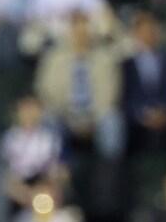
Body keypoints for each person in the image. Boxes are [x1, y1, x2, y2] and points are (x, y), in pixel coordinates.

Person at [34, 10, 125, 159]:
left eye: (85, 27)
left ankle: (109, 178)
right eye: (76, 28)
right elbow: (46, 92)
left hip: (96, 117)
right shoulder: (54, 58)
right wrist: (70, 118)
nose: (81, 33)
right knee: (49, 120)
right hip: (65, 116)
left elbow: (110, 94)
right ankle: (56, 173)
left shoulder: (105, 57)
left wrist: (90, 120)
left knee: (112, 122)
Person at [120, 10, 166, 154]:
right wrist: (142, 114)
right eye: (143, 30)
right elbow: (125, 96)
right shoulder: (126, 64)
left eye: (152, 29)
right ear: (135, 33)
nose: (148, 34)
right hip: (136, 118)